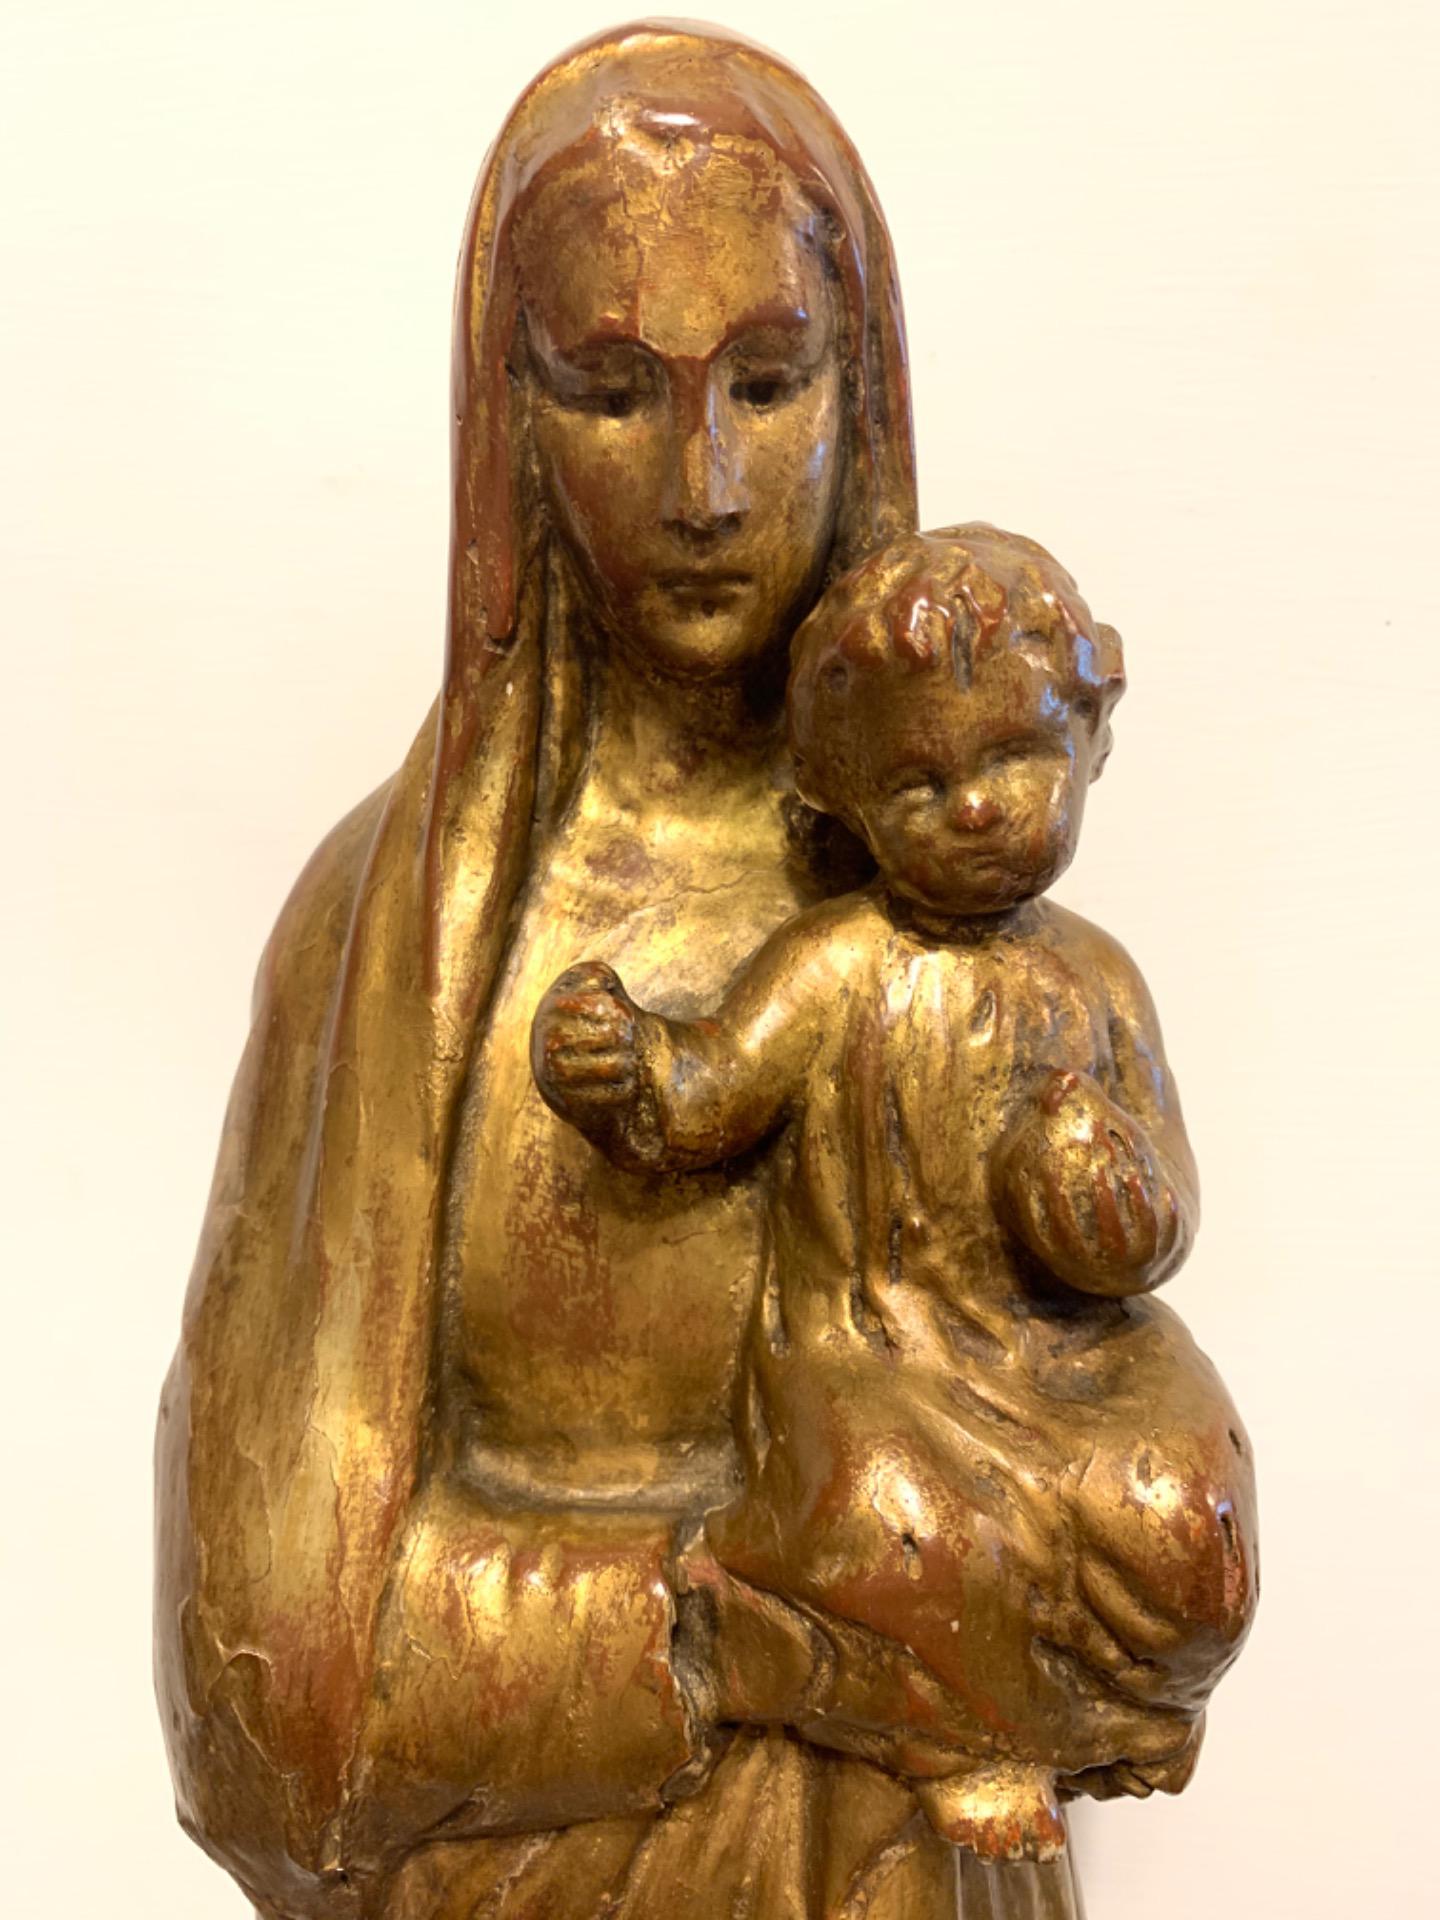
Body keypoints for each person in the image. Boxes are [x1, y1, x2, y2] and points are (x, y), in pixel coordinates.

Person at [156, 23, 980, 1920]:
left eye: (768, 380)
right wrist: (748, 1628)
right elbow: (261, 1704)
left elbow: (1104, 1511)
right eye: (613, 393)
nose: (705, 484)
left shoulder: (957, 916)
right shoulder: (386, 944)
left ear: (862, 391)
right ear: (508, 419)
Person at [532, 525, 1259, 1863]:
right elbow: (708, 1094)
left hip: (1068, 1352)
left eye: (1013, 757)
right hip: (873, 1352)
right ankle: (958, 1740)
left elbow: (1162, 1219)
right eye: (921, 783)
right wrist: (628, 1065)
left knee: (1183, 1496)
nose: (975, 808)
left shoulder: (1098, 982)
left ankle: (1132, 1705)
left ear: (1090, 738)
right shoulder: (835, 967)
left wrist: (1109, 1194)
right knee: (904, 1520)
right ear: (847, 801)